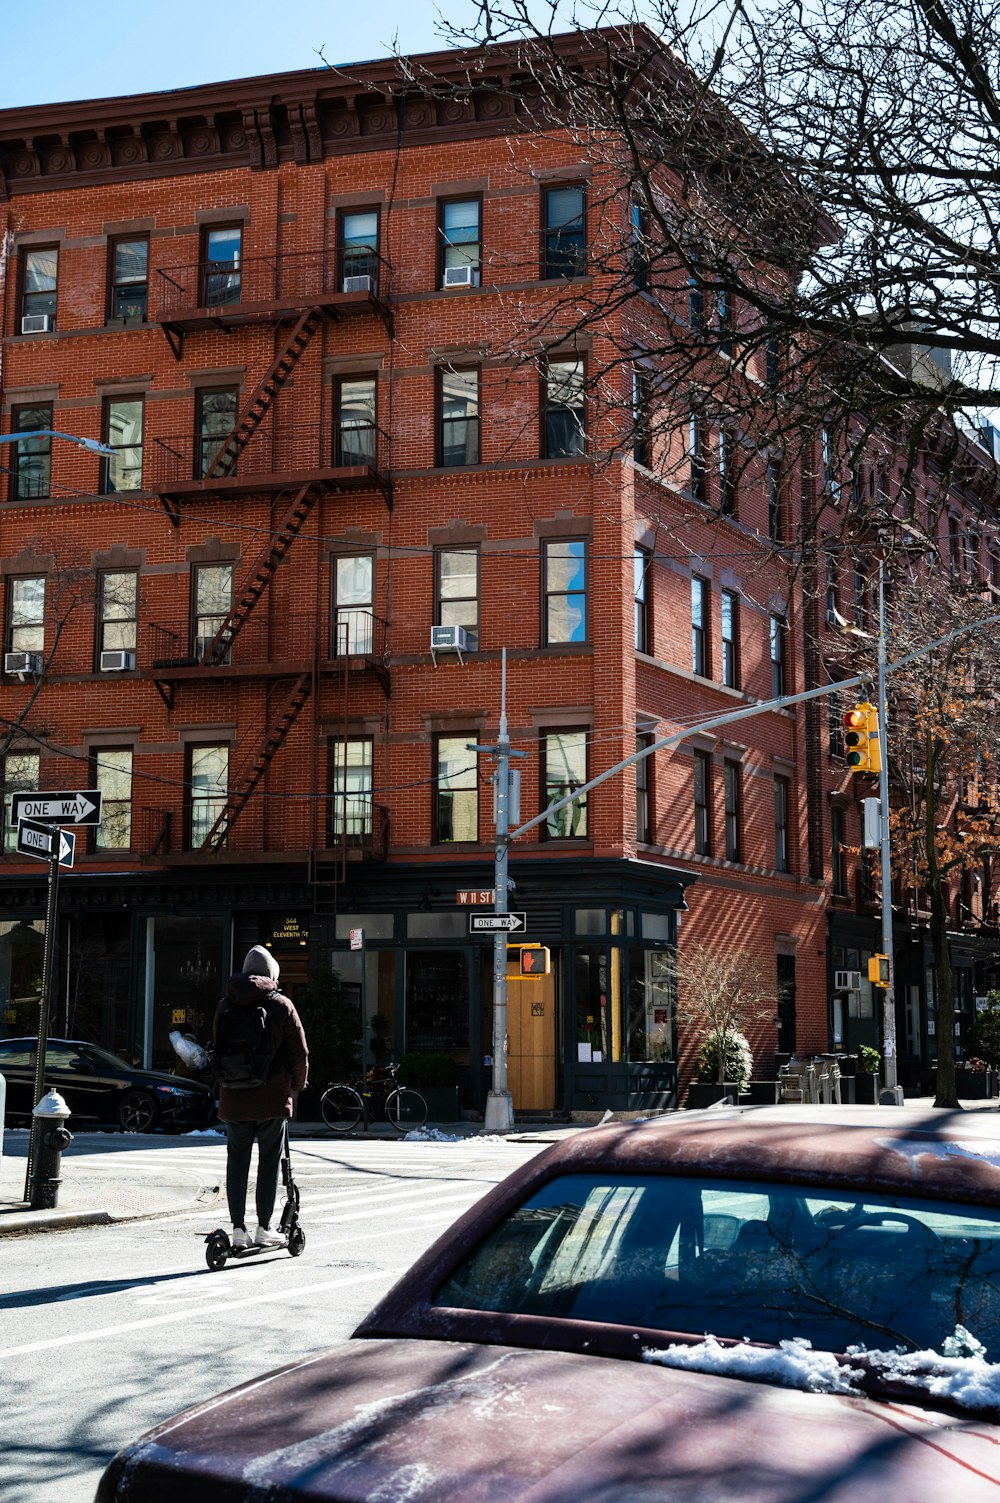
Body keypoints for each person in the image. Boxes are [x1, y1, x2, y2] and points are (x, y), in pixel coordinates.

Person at [214, 945, 308, 1248]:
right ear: (273, 974)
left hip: (234, 1097)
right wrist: (298, 1084)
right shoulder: (282, 1005)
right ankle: (265, 1227)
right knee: (269, 1162)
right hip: (271, 1097)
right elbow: (299, 1053)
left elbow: (218, 1048)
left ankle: (238, 1228)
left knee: (237, 1162)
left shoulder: (224, 1006)